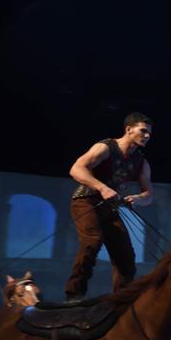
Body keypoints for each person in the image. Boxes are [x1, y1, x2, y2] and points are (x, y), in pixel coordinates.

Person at [64, 112, 154, 302]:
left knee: (126, 256)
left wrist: (138, 198)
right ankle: (74, 294)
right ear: (129, 129)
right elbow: (76, 169)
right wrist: (102, 188)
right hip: (86, 201)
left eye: (149, 134)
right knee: (92, 241)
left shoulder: (141, 162)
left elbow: (149, 195)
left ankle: (121, 300)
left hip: (109, 207)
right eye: (143, 131)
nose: (146, 136)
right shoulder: (106, 147)